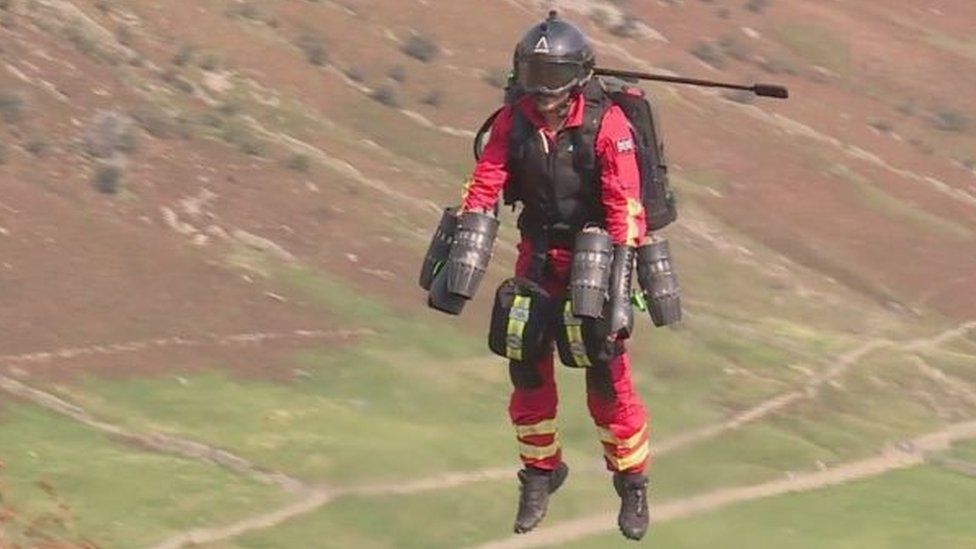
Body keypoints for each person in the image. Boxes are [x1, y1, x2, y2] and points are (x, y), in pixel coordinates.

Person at [459, 12, 651, 541]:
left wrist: (619, 286)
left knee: (606, 376)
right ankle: (541, 474)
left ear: (574, 78)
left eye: (551, 78)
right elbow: (485, 182)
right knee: (526, 367)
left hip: (599, 257)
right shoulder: (512, 120)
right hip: (538, 256)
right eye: (533, 76)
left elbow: (625, 206)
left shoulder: (607, 125)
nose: (542, 92)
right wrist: (464, 247)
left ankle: (632, 482)